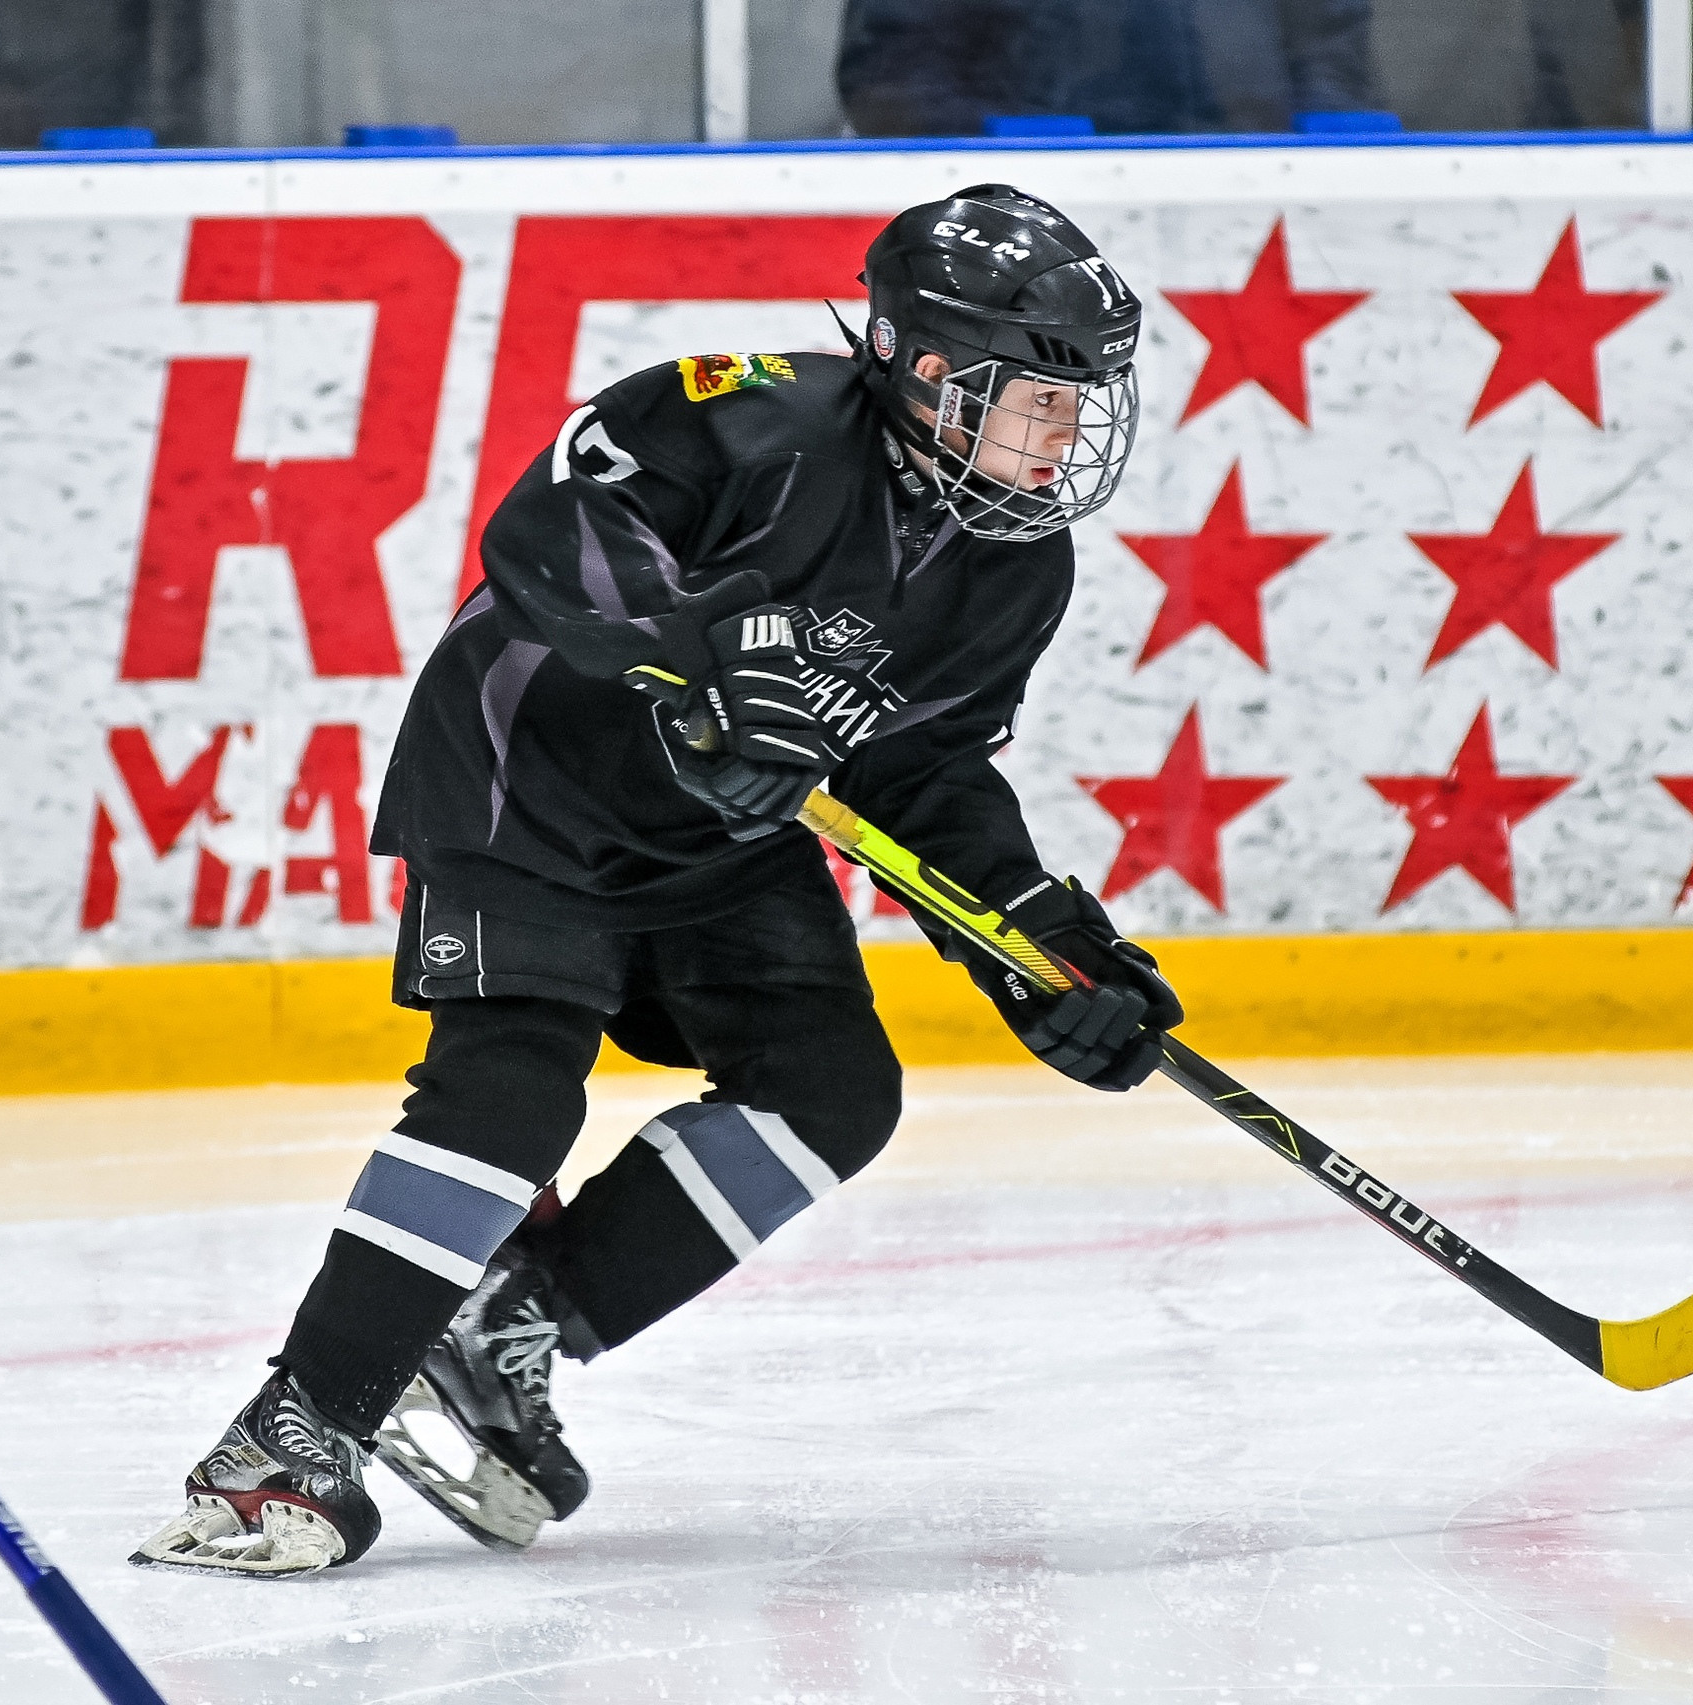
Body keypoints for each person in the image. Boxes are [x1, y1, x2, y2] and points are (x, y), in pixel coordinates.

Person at [130, 185, 1179, 1578]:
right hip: (531, 787)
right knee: (509, 1088)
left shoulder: (1016, 565)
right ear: (930, 368)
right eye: (1041, 400)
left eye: (1079, 403)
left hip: (719, 839)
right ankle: (288, 1436)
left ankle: (506, 1328)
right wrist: (701, 650)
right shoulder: (749, 414)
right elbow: (554, 538)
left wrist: (1036, 939)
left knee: (833, 1087)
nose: (1066, 438)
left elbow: (917, 772)